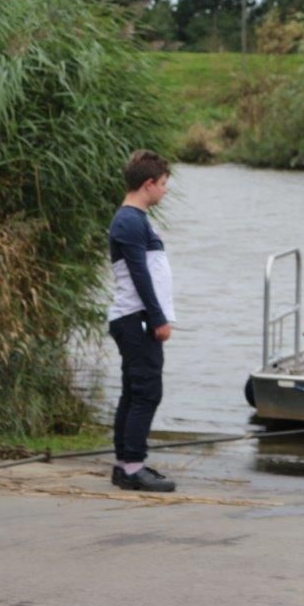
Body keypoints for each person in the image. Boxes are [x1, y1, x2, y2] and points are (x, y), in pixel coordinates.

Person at [107, 150, 177, 492]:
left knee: (135, 391)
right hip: (136, 319)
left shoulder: (134, 219)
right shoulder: (130, 221)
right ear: (148, 184)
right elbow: (140, 275)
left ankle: (127, 464)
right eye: (163, 183)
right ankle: (133, 468)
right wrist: (158, 318)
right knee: (147, 392)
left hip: (136, 318)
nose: (165, 189)